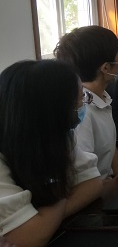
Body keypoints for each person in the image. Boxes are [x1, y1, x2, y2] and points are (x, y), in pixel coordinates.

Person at [0, 60, 102, 246]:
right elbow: (28, 239)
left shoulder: (55, 136)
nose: (82, 106)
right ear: (52, 110)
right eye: (78, 101)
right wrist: (59, 184)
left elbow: (92, 183)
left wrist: (44, 220)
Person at [54, 25, 118, 180]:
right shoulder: (82, 111)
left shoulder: (101, 97)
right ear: (106, 67)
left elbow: (110, 146)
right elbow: (84, 176)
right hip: (95, 189)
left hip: (109, 182)